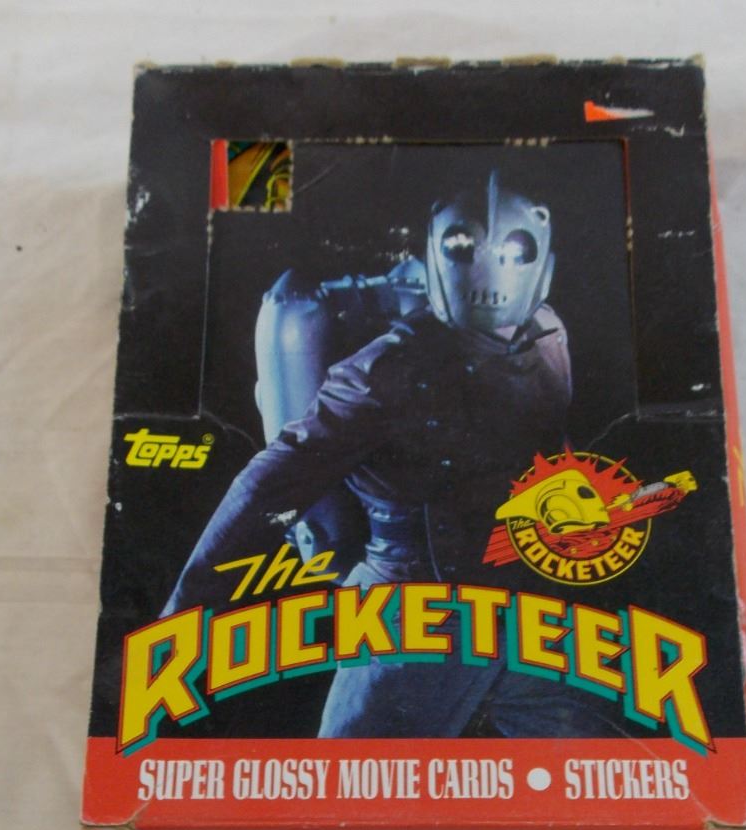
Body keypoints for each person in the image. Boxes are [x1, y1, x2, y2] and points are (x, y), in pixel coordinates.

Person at [164, 170, 620, 739]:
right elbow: (268, 487)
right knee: (351, 783)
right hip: (422, 618)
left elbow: (549, 454)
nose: (490, 274)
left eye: (510, 253)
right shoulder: (390, 371)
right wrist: (185, 613)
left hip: (522, 612)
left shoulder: (546, 336)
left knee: (582, 773)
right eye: (467, 249)